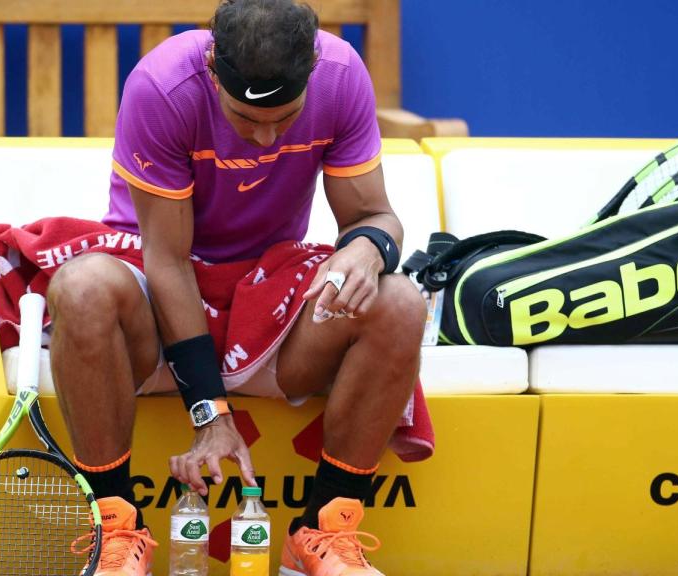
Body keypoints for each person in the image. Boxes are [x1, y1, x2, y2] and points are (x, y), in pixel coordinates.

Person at [46, 1, 426, 574]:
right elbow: (168, 261)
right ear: (213, 68)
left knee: (399, 301)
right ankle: (117, 533)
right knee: (80, 286)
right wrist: (211, 415)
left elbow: (375, 215)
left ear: (312, 70)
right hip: (159, 294)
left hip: (270, 289)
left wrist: (370, 248)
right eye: (245, 119)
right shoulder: (163, 87)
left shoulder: (340, 75)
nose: (266, 137)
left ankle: (323, 533)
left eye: (286, 117)